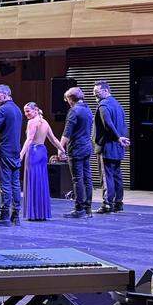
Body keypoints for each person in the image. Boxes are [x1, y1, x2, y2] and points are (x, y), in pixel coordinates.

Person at [0, 85, 24, 226]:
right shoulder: (17, 109)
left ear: (5, 94)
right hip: (15, 151)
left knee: (5, 184)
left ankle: (4, 216)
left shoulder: (2, 110)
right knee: (15, 184)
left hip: (4, 152)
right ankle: (16, 216)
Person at [93, 80, 130, 213]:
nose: (94, 94)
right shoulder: (118, 105)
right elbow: (124, 124)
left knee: (106, 176)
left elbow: (108, 124)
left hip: (107, 147)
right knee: (117, 175)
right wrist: (122, 139)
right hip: (118, 147)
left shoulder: (103, 105)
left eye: (97, 92)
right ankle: (118, 203)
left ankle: (107, 204)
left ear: (105, 91)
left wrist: (118, 138)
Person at [57, 87, 95, 218]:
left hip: (77, 148)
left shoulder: (74, 111)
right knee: (87, 178)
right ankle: (88, 208)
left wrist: (60, 148)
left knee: (77, 179)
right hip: (87, 147)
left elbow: (67, 132)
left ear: (70, 99)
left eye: (67, 99)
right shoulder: (87, 109)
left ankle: (79, 209)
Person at [21, 102, 61, 221]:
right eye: (25, 111)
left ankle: (33, 213)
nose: (26, 114)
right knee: (41, 181)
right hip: (42, 152)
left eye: (28, 111)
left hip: (33, 152)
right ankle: (41, 212)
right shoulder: (45, 122)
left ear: (36, 110)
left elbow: (29, 139)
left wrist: (21, 154)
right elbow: (53, 140)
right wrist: (62, 150)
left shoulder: (32, 122)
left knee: (33, 181)